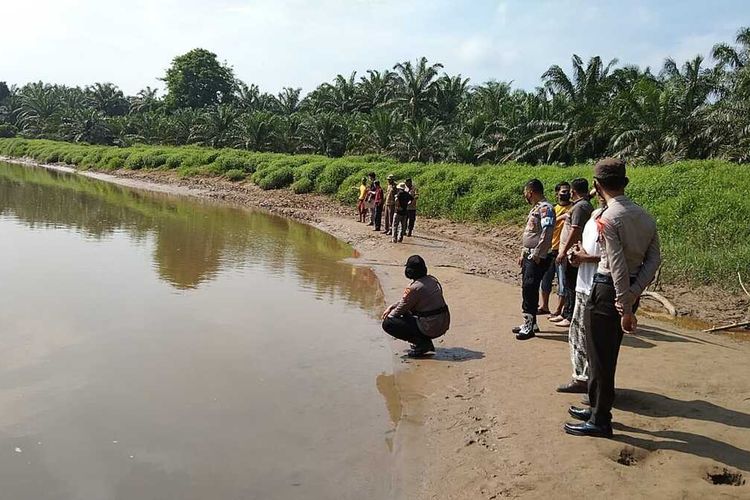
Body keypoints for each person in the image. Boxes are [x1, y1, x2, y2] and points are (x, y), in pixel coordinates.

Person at [564, 158, 661, 438]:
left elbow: (615, 264)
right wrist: (634, 291)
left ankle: (600, 419)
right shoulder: (644, 216)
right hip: (627, 288)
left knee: (600, 356)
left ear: (596, 186)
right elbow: (654, 260)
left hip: (608, 290)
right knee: (603, 353)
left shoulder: (608, 219)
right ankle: (596, 406)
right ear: (625, 183)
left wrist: (625, 303)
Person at [556, 186, 602, 394]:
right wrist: (579, 252)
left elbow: (617, 256)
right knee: (579, 333)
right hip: (586, 284)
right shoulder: (594, 214)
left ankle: (592, 386)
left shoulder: (614, 217)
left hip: (599, 285)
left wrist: (584, 257)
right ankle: (584, 380)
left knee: (592, 336)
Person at [382, 255, 450, 358]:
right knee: (406, 313)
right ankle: (423, 341)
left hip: (431, 327)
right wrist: (392, 306)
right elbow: (407, 301)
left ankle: (422, 344)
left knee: (388, 323)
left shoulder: (415, 288)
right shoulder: (431, 280)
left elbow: (399, 310)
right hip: (442, 322)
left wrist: (389, 315)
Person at [513, 179, 555, 340]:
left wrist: (537, 253)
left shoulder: (546, 208)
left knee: (529, 287)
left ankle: (529, 325)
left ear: (531, 192)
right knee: (527, 286)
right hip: (529, 254)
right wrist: (523, 253)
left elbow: (547, 232)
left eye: (526, 192)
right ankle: (531, 322)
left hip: (538, 256)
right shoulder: (536, 209)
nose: (525, 196)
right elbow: (530, 234)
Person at [553, 179, 594, 328]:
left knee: (571, 284)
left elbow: (575, 230)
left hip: (573, 252)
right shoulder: (581, 204)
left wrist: (563, 251)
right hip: (570, 251)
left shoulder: (580, 207)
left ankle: (570, 316)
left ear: (573, 192)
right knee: (569, 283)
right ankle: (565, 313)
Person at [540, 182, 572, 317]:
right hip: (550, 249)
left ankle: (559, 310)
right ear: (556, 193)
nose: (566, 193)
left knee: (562, 283)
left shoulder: (574, 207)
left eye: (568, 191)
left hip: (563, 250)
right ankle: (544, 306)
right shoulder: (552, 208)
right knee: (545, 280)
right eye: (563, 191)